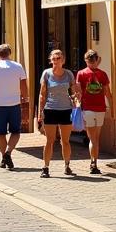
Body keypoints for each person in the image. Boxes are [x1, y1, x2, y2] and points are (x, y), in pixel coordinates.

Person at [0, 43, 28, 171]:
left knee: (0, 133)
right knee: (16, 132)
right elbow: (23, 83)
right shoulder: (18, 66)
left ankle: (4, 157)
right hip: (14, 103)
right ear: (10, 53)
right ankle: (8, 153)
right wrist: (26, 97)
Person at [36, 48, 77, 178]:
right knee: (50, 140)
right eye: (53, 58)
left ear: (63, 60)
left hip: (65, 109)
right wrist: (40, 112)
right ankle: (45, 167)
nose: (56, 60)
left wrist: (76, 101)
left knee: (65, 141)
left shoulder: (69, 74)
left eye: (58, 58)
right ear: (50, 60)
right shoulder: (46, 74)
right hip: (50, 109)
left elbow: (73, 91)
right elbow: (42, 94)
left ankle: (67, 165)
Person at [76, 49, 113, 176]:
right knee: (96, 138)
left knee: (92, 139)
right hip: (100, 108)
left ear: (86, 60)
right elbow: (108, 93)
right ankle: (94, 163)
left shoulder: (81, 74)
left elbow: (78, 93)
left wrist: (77, 105)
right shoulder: (103, 74)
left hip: (87, 109)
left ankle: (93, 163)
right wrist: (112, 109)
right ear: (97, 60)